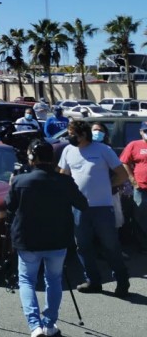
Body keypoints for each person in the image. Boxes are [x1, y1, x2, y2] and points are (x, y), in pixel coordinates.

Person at [5, 139, 88, 337]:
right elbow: (82, 204)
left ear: (31, 157)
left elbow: (9, 207)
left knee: (26, 281)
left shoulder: (20, 180)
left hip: (28, 241)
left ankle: (35, 326)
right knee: (54, 280)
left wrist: (12, 185)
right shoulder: (64, 181)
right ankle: (49, 324)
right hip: (57, 240)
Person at [58, 120, 130, 297]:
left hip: (103, 207)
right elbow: (63, 176)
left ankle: (122, 281)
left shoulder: (103, 150)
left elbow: (122, 174)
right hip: (79, 209)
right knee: (83, 246)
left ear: (83, 135)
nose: (70, 137)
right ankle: (92, 281)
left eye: (73, 133)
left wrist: (108, 185)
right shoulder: (68, 150)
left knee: (110, 246)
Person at [120, 121, 147, 251]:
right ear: (141, 132)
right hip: (141, 188)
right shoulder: (134, 145)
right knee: (140, 216)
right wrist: (132, 179)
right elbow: (124, 162)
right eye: (146, 131)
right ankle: (143, 244)